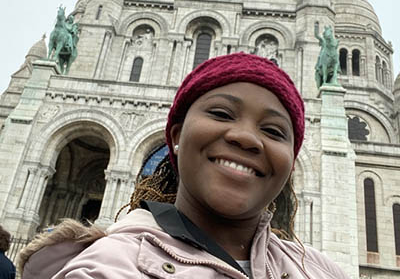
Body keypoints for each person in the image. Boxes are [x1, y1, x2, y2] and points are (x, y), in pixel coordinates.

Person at [19, 53, 350, 278]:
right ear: (175, 135)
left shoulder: (317, 268)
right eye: (221, 113)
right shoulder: (109, 264)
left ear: (291, 162)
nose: (247, 138)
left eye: (274, 130)